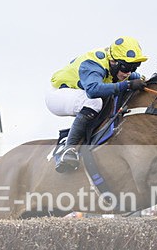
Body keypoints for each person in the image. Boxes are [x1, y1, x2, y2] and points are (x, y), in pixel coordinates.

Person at [46, 36, 148, 172]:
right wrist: (128, 84)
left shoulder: (119, 68)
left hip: (79, 94)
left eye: (134, 67)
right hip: (58, 95)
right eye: (126, 67)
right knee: (94, 101)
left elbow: (139, 79)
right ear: (113, 62)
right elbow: (93, 90)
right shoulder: (94, 64)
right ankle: (68, 149)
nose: (129, 72)